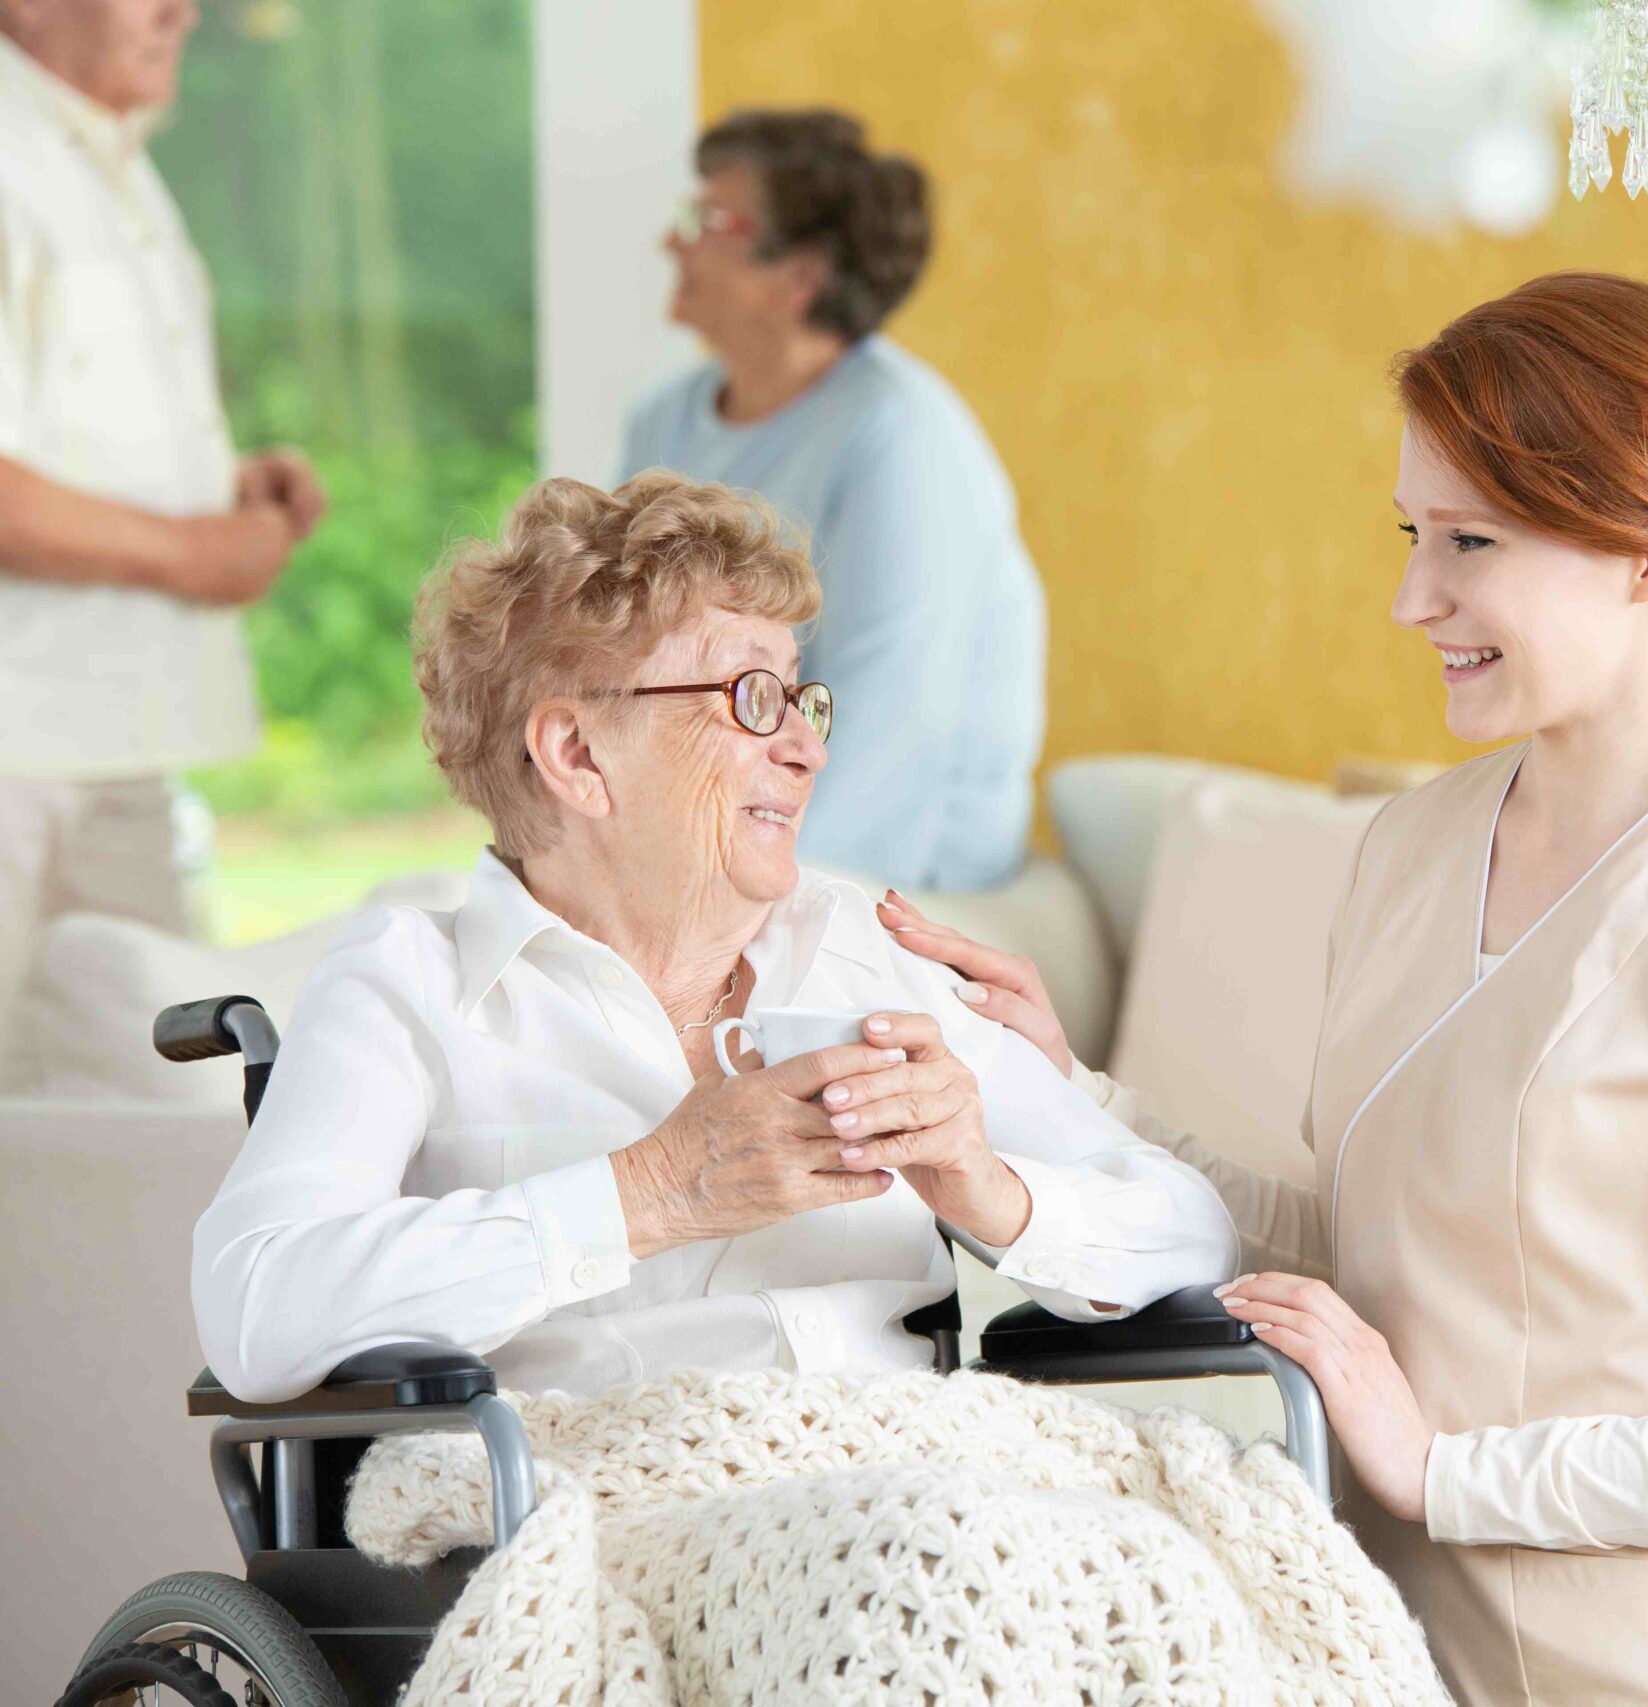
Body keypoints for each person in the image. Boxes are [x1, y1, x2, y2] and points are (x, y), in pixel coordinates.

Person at [880, 274, 1648, 1705]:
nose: (1411, 597)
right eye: (1413, 533)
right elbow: (1369, 1261)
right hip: (1375, 1647)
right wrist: (1055, 1095)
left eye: (1472, 540)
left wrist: (1451, 1473)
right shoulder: (1413, 846)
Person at [191, 474, 1234, 1403]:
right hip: (599, 1517)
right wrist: (646, 1194)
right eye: (753, 698)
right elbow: (256, 1308)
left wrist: (985, 1185)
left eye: (803, 699)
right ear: (577, 752)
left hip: (914, 1476)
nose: (808, 748)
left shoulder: (875, 964)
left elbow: (1193, 1229)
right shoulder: (410, 985)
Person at [0, 0, 324, 1063]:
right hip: (20, 752)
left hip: (113, 752)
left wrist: (216, 489)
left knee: (155, 1103)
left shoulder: (114, 163)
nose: (182, 10)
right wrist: (196, 553)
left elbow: (54, 436)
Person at [622, 108, 1044, 894]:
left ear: (801, 276)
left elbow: (893, 736)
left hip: (903, 884)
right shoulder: (663, 421)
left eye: (708, 219)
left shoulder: (902, 437)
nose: (673, 242)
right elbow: (628, 662)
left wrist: (748, 908)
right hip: (716, 854)